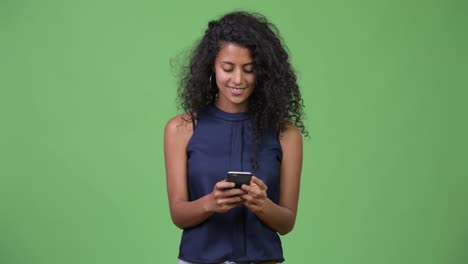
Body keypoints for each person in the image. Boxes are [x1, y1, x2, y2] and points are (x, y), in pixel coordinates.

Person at [164, 11, 306, 264]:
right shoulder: (182, 129)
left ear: (262, 73)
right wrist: (211, 202)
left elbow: (287, 223)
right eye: (227, 68)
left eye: (249, 69)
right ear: (212, 68)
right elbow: (178, 214)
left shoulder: (286, 135)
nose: (238, 79)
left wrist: (263, 204)